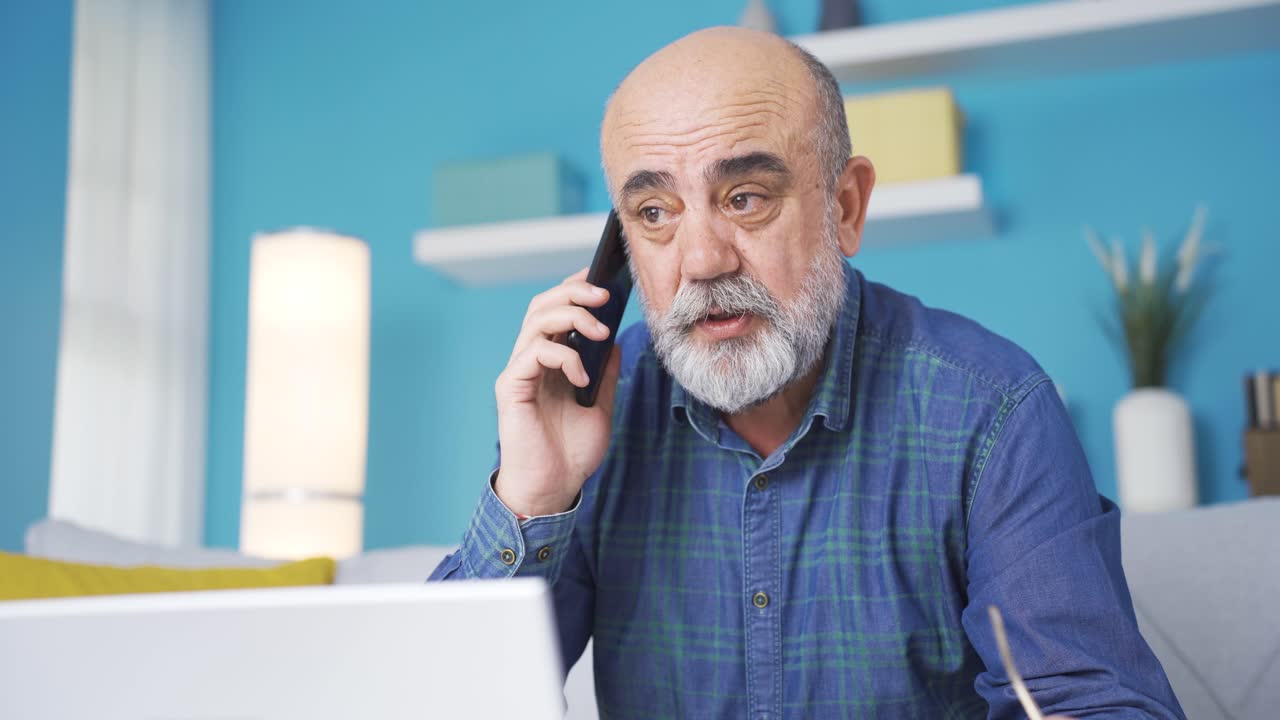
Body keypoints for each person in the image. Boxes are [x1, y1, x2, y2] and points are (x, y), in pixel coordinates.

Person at [429, 26, 1184, 720]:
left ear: (846, 206)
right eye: (655, 213)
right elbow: (441, 702)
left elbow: (1089, 704)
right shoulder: (593, 416)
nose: (701, 260)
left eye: (745, 197)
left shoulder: (993, 412)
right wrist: (534, 498)